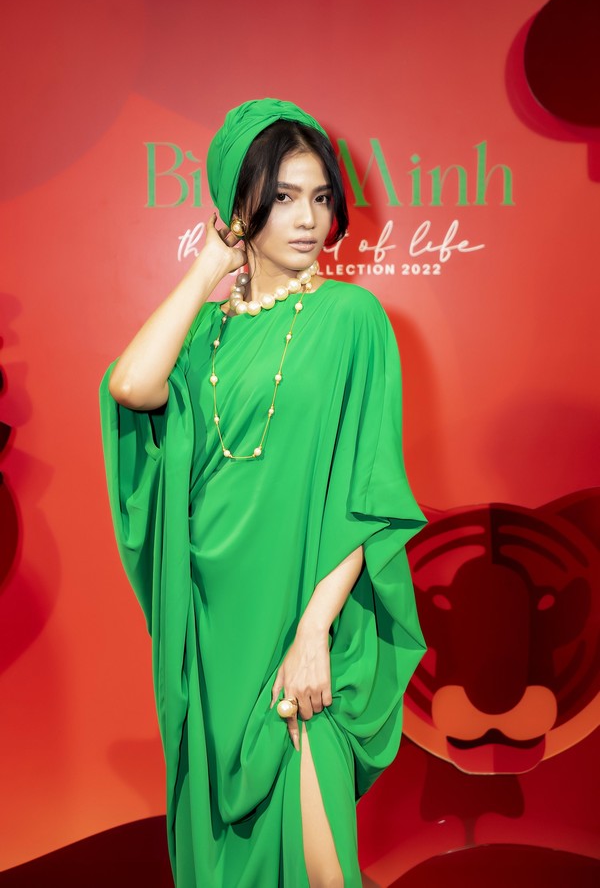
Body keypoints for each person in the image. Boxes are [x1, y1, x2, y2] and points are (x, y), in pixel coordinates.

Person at [99, 98, 427, 888]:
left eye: (320, 197)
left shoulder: (352, 319)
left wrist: (315, 629)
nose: (308, 219)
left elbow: (365, 490)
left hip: (304, 616)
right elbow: (132, 386)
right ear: (239, 203)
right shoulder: (201, 333)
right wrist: (207, 268)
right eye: (282, 198)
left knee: (322, 863)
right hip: (216, 626)